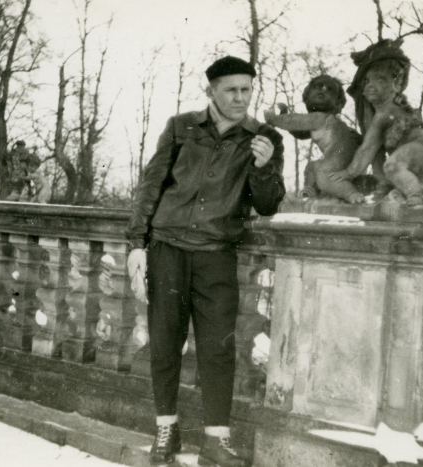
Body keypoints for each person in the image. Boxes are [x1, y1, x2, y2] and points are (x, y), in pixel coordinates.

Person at [126, 56, 285, 467]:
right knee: (164, 344)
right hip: (167, 249)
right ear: (211, 90)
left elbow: (267, 205)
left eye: (247, 89)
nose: (240, 97)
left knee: (218, 349)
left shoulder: (263, 137)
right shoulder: (181, 128)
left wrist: (265, 168)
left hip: (216, 255)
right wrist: (136, 244)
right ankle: (167, 428)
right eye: (231, 89)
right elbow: (151, 186)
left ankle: (216, 440)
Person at [330, 40, 423, 209]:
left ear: (396, 84)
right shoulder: (396, 106)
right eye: (367, 81)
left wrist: (348, 173)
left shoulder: (384, 113)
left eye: (380, 80)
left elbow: (367, 149)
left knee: (392, 167)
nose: (371, 85)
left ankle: (414, 196)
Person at [264, 74, 364, 203]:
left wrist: (274, 118)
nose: (323, 89)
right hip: (337, 160)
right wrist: (283, 116)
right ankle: (310, 192)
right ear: (306, 95)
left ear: (337, 102)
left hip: (339, 160)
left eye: (329, 89)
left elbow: (295, 121)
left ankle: (351, 194)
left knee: (324, 176)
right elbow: (300, 133)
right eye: (318, 86)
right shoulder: (325, 121)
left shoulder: (320, 117)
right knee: (312, 167)